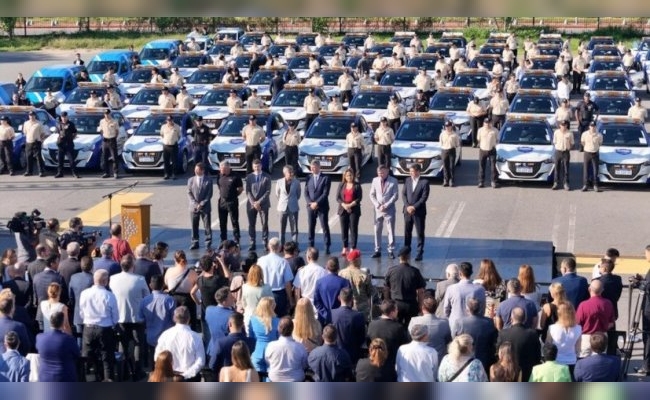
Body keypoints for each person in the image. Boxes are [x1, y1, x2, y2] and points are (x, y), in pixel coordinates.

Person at [110, 254, 150, 381]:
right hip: (136, 318)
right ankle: (138, 371)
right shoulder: (139, 279)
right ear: (133, 266)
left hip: (120, 318)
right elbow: (147, 297)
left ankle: (124, 372)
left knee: (123, 345)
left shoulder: (113, 279)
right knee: (138, 344)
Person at [79, 270, 118, 381]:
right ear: (106, 281)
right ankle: (107, 381)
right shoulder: (109, 295)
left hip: (88, 327)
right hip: (105, 329)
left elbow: (81, 312)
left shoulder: (84, 293)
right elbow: (115, 316)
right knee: (107, 358)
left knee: (88, 357)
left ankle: (87, 380)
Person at [155, 306, 205, 381]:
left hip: (169, 377)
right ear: (189, 319)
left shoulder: (165, 335)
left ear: (174, 318)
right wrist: (186, 375)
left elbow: (157, 357)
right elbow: (200, 361)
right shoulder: (196, 337)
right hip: (189, 378)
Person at [366, 300, 409, 382]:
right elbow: (404, 348)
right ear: (392, 312)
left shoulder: (372, 324)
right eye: (396, 310)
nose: (397, 311)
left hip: (374, 363)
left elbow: (368, 342)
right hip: (391, 366)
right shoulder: (398, 328)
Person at [452, 297, 498, 372]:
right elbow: (494, 340)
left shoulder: (460, 322)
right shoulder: (489, 322)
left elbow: (454, 339)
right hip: (484, 360)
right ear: (480, 308)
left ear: (467, 309)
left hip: (465, 361)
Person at [139, 275, 175, 370]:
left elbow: (141, 318)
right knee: (167, 363)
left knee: (153, 361)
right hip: (167, 338)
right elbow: (174, 319)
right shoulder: (169, 300)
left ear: (150, 285)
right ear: (163, 285)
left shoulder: (144, 301)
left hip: (151, 337)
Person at [496, 307, 541, 382]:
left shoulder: (503, 333)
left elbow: (497, 353)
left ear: (511, 319)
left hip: (507, 374)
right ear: (524, 319)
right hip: (527, 373)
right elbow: (537, 355)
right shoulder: (532, 334)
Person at [384, 246, 425, 326]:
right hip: (411, 305)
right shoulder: (415, 272)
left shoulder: (391, 271)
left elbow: (386, 289)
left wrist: (387, 303)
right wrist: (420, 306)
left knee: (395, 327)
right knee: (411, 327)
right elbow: (420, 291)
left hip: (396, 305)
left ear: (399, 257)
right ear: (409, 256)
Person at [35, 311, 80, 382]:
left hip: (45, 377)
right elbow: (77, 354)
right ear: (62, 324)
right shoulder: (68, 339)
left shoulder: (40, 337)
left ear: (50, 322)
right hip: (65, 377)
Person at [576, 280, 615, 359]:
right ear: (602, 290)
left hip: (586, 338)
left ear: (589, 289)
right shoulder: (608, 303)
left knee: (584, 362)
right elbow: (612, 323)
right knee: (600, 362)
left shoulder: (583, 305)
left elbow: (577, 323)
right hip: (602, 338)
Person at [443, 262, 486, 330]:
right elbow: (482, 310)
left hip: (454, 325)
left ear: (460, 273)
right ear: (471, 273)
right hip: (474, 326)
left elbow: (446, 309)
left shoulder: (451, 288)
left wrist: (450, 319)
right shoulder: (480, 289)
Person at [256, 238, 294, 318]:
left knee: (264, 318)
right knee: (280, 320)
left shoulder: (261, 260)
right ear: (280, 247)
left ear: (268, 246)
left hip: (264, 293)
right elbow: (287, 283)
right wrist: (290, 299)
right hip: (279, 295)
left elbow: (257, 277)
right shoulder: (283, 262)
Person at [264, 317, 308, 382]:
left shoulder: (270, 346)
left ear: (279, 329)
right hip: (296, 379)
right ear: (292, 329)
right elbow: (304, 365)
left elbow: (268, 362)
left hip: (275, 379)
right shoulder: (300, 347)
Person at [408, 296, 451, 360]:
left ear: (422, 307)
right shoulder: (444, 323)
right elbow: (448, 340)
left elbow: (410, 338)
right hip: (438, 360)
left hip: (418, 359)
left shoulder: (414, 321)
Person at [163, 251, 198, 331]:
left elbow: (166, 282)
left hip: (173, 300)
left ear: (175, 260)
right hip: (188, 301)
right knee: (190, 324)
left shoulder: (169, 271)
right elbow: (197, 285)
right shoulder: (192, 273)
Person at [595, 259, 623, 355]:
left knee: (598, 334)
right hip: (613, 309)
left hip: (600, 311)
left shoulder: (597, 281)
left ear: (605, 268)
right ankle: (612, 351)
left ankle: (599, 351)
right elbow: (618, 294)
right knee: (612, 332)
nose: (599, 268)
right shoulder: (617, 279)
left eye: (600, 266)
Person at [369, 165, 398, 259]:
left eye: (382, 173)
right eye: (379, 173)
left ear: (387, 172)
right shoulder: (375, 180)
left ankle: (391, 250)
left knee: (390, 230)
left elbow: (395, 196)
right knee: (377, 230)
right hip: (378, 210)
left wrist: (386, 205)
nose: (380, 174)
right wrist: (378, 205)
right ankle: (377, 249)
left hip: (389, 209)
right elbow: (372, 194)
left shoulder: (393, 181)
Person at [331, 287, 366, 365]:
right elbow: (361, 338)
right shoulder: (358, 316)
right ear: (352, 299)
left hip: (335, 355)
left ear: (339, 298)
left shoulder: (332, 313)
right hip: (353, 356)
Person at [402, 164, 429, 261]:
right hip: (407, 211)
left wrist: (414, 207)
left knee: (419, 232)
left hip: (419, 212)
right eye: (410, 171)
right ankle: (406, 250)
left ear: (418, 172)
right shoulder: (407, 180)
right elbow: (404, 194)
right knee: (407, 231)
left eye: (412, 171)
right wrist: (407, 206)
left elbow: (424, 198)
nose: (411, 173)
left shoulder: (424, 182)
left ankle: (419, 252)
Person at [547, 302, 581, 376]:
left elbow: (548, 346)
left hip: (556, 361)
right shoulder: (579, 328)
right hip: (572, 361)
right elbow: (578, 349)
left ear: (559, 313)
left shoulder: (552, 328)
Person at [305, 160, 332, 254]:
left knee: (324, 226)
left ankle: (327, 245)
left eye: (314, 167)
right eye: (311, 167)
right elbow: (306, 192)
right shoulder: (308, 177)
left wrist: (316, 203)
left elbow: (325, 193)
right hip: (310, 207)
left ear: (319, 167)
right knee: (311, 226)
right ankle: (310, 245)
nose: (312, 169)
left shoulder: (326, 178)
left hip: (322, 206)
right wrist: (310, 203)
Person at [247, 297, 279, 375]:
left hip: (257, 352)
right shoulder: (278, 321)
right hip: (272, 353)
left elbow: (251, 337)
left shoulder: (252, 320)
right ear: (272, 307)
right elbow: (279, 338)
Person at [245, 159, 271, 251]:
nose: (257, 168)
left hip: (263, 204)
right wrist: (253, 203)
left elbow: (268, 191)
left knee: (264, 224)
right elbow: (247, 191)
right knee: (251, 224)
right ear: (252, 167)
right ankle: (252, 242)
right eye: (255, 166)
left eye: (258, 166)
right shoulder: (249, 177)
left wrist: (259, 202)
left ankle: (265, 241)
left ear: (261, 166)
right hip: (251, 205)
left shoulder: (267, 177)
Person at [338, 250, 372, 320]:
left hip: (346, 306)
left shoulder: (341, 273)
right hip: (362, 308)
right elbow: (370, 292)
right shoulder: (364, 275)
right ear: (358, 260)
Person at [187, 163, 213, 250]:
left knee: (207, 225)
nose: (195, 171)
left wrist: (201, 203)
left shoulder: (208, 180)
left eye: (197, 170)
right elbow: (189, 193)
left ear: (202, 170)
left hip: (205, 207)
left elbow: (209, 194)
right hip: (193, 207)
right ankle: (195, 242)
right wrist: (195, 204)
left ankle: (208, 242)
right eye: (195, 169)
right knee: (194, 225)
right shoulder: (191, 180)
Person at [337, 168, 362, 255]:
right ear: (345, 176)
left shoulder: (357, 185)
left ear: (353, 176)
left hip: (354, 210)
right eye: (347, 175)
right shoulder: (341, 184)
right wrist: (344, 205)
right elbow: (338, 198)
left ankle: (353, 247)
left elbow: (359, 198)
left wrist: (350, 205)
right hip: (343, 209)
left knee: (353, 229)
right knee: (344, 229)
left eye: (350, 175)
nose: (349, 177)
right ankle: (345, 247)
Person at [217, 161, 244, 244]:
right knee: (222, 222)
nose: (221, 170)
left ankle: (236, 239)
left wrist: (234, 195)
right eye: (220, 169)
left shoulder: (236, 176)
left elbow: (240, 189)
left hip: (232, 202)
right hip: (222, 202)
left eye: (223, 169)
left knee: (234, 221)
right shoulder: (219, 176)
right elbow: (219, 186)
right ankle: (223, 239)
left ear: (228, 167)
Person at [240, 264, 272, 331]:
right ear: (261, 274)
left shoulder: (245, 287)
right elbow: (272, 304)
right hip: (263, 318)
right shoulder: (266, 287)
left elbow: (243, 303)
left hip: (249, 317)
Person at [275, 165, 300, 247]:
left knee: (294, 227)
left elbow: (298, 194)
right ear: (285, 173)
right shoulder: (279, 182)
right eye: (290, 172)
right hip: (282, 207)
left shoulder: (296, 182)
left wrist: (292, 201)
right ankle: (281, 245)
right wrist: (283, 202)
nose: (292, 174)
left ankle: (294, 244)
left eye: (292, 172)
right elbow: (277, 194)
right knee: (281, 227)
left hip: (293, 207)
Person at [54, 112, 79, 179]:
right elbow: (57, 132)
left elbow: (75, 132)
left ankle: (74, 173)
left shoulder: (71, 124)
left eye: (65, 117)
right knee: (60, 160)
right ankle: (60, 173)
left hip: (69, 144)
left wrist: (71, 138)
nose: (64, 118)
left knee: (71, 160)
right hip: (61, 144)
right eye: (62, 117)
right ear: (61, 117)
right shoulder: (59, 124)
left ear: (67, 117)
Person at [580, 121, 603, 192]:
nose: (592, 127)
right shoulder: (584, 134)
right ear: (589, 126)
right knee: (585, 170)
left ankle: (595, 185)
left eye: (594, 126)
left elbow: (600, 143)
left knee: (595, 170)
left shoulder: (599, 135)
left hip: (595, 153)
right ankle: (585, 185)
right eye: (591, 126)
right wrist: (587, 147)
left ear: (595, 127)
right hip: (587, 153)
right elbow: (583, 142)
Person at [23, 111, 47, 177]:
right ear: (29, 116)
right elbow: (25, 132)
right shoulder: (26, 123)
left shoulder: (39, 123)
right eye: (30, 115)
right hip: (28, 142)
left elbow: (43, 133)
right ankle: (29, 171)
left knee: (38, 158)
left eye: (33, 115)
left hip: (36, 142)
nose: (31, 116)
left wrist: (41, 140)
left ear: (35, 116)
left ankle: (41, 172)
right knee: (28, 157)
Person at [551, 119, 573, 191]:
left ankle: (566, 183)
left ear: (566, 125)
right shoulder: (556, 133)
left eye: (565, 125)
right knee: (557, 168)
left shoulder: (569, 133)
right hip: (558, 151)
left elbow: (572, 143)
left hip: (566, 152)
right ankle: (556, 183)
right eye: (562, 125)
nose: (563, 126)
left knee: (566, 168)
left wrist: (568, 146)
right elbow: (554, 142)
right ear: (560, 125)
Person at [477, 118, 499, 188]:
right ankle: (481, 182)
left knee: (493, 167)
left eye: (489, 123)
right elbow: (478, 139)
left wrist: (494, 146)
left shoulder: (495, 130)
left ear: (491, 123)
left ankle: (493, 182)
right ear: (484, 123)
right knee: (481, 167)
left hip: (492, 150)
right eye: (486, 123)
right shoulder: (480, 130)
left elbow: (497, 140)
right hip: (483, 150)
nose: (487, 124)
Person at [98, 109, 120, 179]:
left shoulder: (114, 121)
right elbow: (101, 130)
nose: (106, 115)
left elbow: (117, 131)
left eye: (107, 114)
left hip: (112, 140)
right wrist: (103, 136)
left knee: (114, 158)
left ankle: (115, 173)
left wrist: (113, 138)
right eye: (105, 114)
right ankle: (106, 172)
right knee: (105, 157)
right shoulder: (102, 121)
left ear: (110, 114)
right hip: (105, 140)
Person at [160, 115, 181, 180]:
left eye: (171, 120)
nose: (169, 121)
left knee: (174, 161)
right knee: (166, 161)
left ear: (173, 120)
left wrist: (174, 141)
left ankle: (174, 174)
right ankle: (167, 174)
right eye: (168, 120)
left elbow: (179, 136)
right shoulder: (163, 127)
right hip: (166, 146)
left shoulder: (177, 127)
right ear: (166, 120)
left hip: (173, 146)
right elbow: (162, 135)